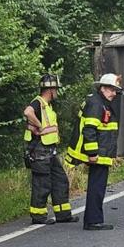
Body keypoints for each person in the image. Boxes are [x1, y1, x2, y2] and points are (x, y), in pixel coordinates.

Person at [67, 73, 122, 231]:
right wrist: (92, 154)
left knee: (97, 187)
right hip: (97, 155)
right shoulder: (97, 104)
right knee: (96, 188)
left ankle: (94, 219)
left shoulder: (100, 102)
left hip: (102, 153)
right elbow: (89, 130)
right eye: (112, 90)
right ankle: (93, 221)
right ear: (103, 88)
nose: (114, 94)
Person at [23, 75, 73, 225]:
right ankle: (38, 216)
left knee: (60, 180)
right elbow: (27, 112)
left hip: (49, 150)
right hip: (39, 150)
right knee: (42, 183)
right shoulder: (38, 103)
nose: (56, 92)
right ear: (50, 90)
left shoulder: (47, 105)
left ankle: (63, 214)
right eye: (55, 89)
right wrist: (39, 125)